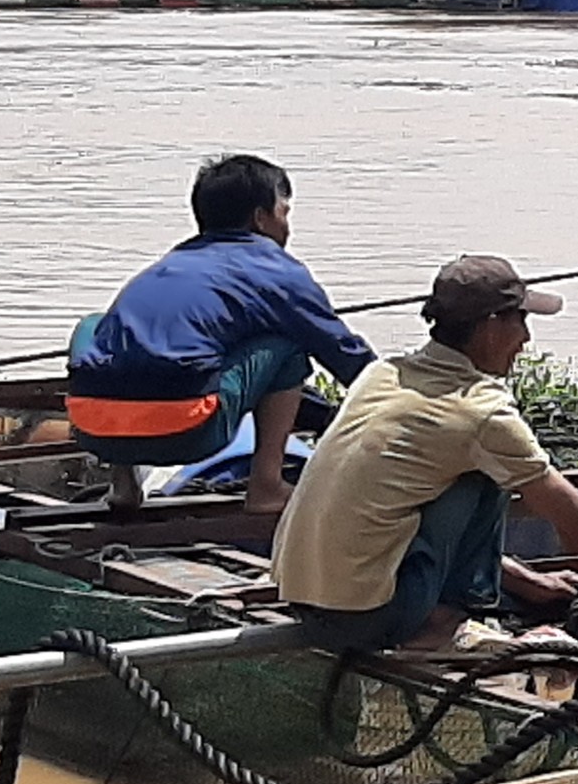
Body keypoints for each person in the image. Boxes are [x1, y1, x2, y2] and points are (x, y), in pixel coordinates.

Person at [271, 255, 578, 655]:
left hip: (303, 600)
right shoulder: (480, 412)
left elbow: (401, 517)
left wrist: (526, 581)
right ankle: (443, 623)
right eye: (521, 320)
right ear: (491, 326)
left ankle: (455, 603)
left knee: (454, 470)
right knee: (487, 472)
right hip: (370, 618)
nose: (527, 339)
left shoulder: (382, 376)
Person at [66, 154, 374, 514]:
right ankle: (266, 486)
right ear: (261, 218)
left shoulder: (168, 264)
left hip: (95, 431)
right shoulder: (278, 271)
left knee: (94, 325)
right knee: (289, 342)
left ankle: (123, 485)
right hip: (188, 431)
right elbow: (343, 352)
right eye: (283, 213)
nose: (287, 227)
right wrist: (404, 394)